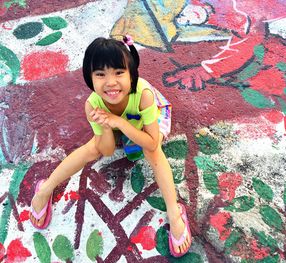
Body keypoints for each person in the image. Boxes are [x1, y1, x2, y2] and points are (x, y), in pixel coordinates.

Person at [29, 36, 192, 257]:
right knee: (92, 148)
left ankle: (174, 211)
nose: (111, 82)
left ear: (131, 73)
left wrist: (120, 123)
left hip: (149, 118)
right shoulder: (93, 104)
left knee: (152, 151)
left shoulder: (143, 94)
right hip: (116, 121)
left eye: (118, 72)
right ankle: (44, 189)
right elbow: (105, 150)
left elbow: (152, 141)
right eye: (100, 74)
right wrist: (106, 127)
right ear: (90, 78)